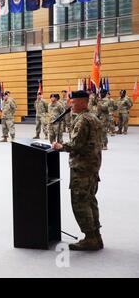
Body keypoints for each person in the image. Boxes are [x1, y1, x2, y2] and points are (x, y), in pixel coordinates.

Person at [52, 90, 104, 251]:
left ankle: (90, 238)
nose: (70, 105)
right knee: (90, 200)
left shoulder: (82, 120)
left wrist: (60, 146)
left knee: (80, 202)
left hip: (82, 167)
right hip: (92, 165)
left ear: (82, 102)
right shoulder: (93, 117)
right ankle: (96, 236)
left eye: (73, 103)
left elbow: (76, 145)